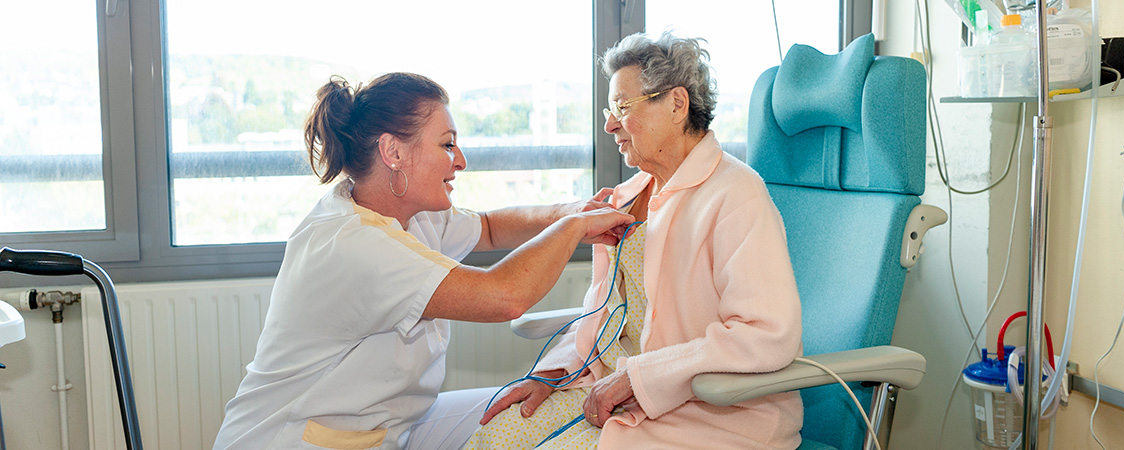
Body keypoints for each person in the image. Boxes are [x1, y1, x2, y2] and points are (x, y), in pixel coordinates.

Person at [212, 73, 634, 450]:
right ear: (393, 152)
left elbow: (488, 227)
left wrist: (572, 210)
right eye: (447, 144)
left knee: (523, 414)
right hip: (295, 438)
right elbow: (503, 297)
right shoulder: (355, 245)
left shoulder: (411, 213)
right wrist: (573, 230)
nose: (461, 160)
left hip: (389, 427)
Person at [465, 32, 804, 449]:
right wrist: (555, 372)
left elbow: (765, 335)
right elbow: (605, 318)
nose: (609, 124)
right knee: (494, 437)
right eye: (611, 109)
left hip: (709, 412)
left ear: (677, 104)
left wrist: (639, 378)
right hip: (610, 390)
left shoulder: (737, 195)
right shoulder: (632, 194)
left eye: (622, 108)